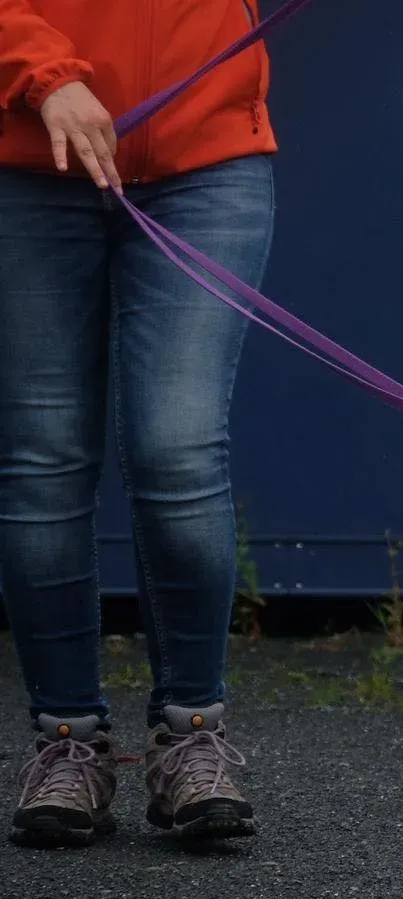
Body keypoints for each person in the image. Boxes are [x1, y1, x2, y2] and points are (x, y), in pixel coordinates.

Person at [0, 0, 277, 845]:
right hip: (28, 159)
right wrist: (45, 76)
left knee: (179, 452)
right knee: (44, 460)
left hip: (207, 161)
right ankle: (66, 743)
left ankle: (193, 738)